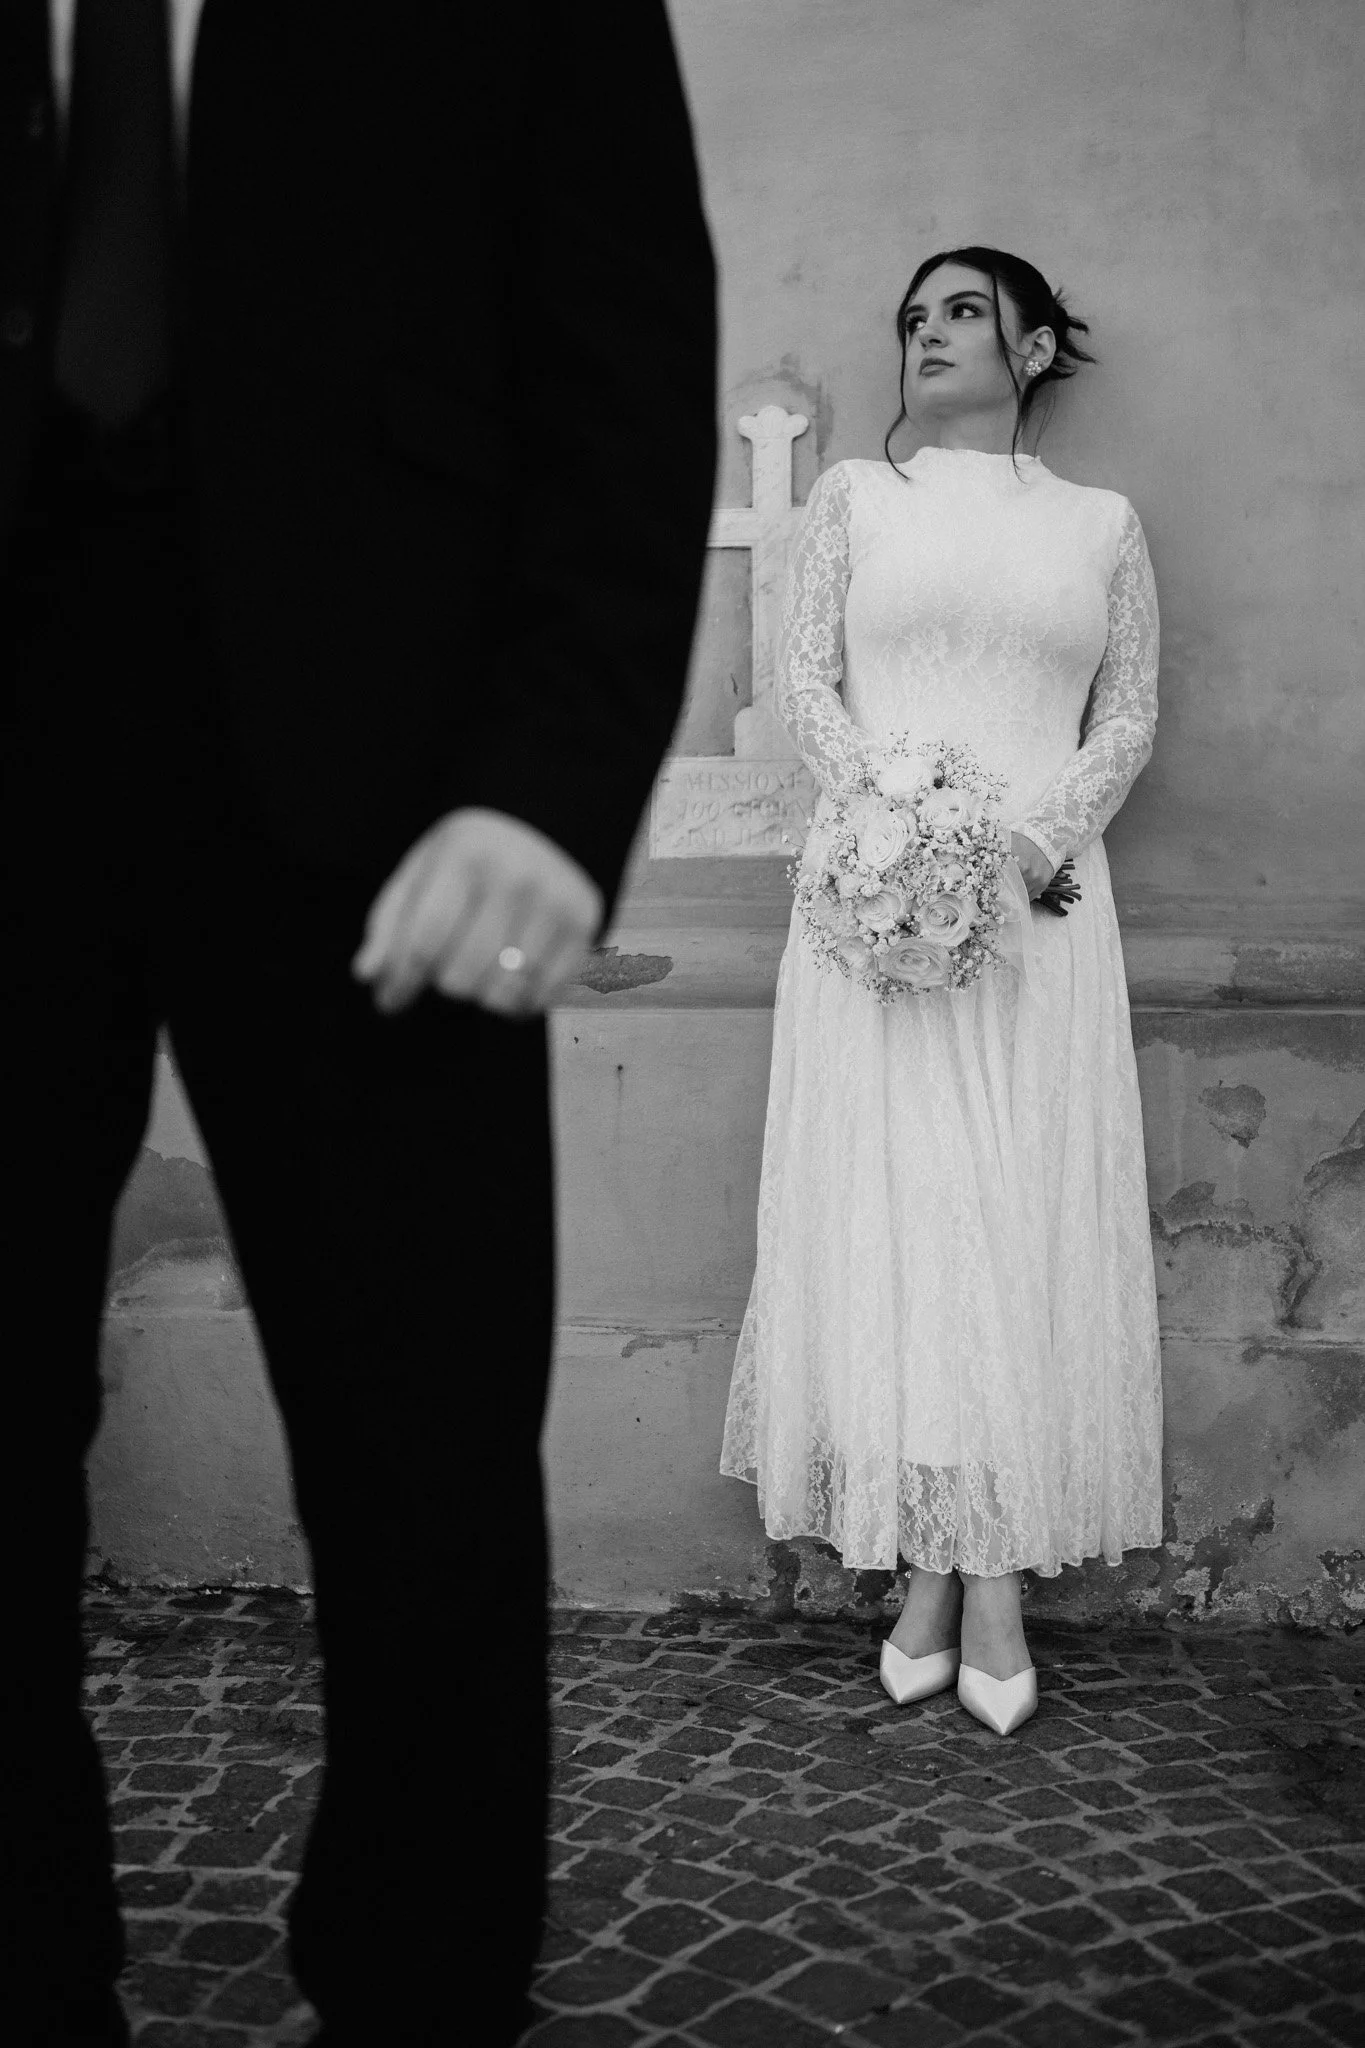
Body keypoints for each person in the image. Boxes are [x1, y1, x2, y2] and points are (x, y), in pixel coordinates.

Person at [0, 4, 716, 2043]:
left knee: (421, 1468)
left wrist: (550, 787)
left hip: (390, 787)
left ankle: (419, 1995)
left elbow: (623, 344)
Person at [721, 246, 1163, 1738]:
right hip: (878, 906)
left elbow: (1131, 714)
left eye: (964, 313)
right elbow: (808, 684)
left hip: (1044, 911)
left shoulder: (1101, 527)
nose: (929, 337)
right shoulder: (860, 497)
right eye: (914, 320)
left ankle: (980, 1579)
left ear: (1034, 348)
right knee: (906, 1217)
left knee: (1014, 1216)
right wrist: (901, 823)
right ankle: (938, 1567)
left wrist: (1022, 844)